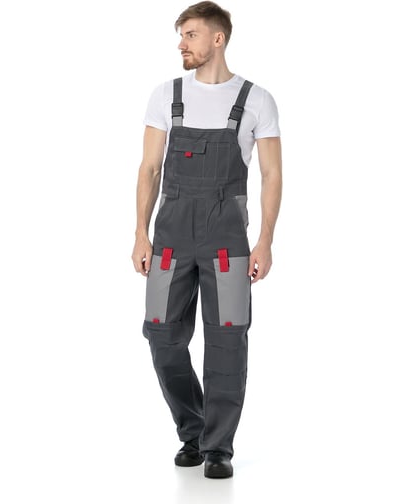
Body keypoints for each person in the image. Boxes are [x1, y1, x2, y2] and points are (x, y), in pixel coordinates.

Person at [131, 1, 282, 479]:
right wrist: (139, 233)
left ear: (218, 39)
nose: (182, 44)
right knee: (161, 336)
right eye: (181, 36)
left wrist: (265, 241)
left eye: (190, 35)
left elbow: (272, 176)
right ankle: (193, 429)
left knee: (227, 344)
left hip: (228, 245)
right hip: (170, 240)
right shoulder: (166, 95)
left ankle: (218, 447)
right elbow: (149, 169)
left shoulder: (257, 100)